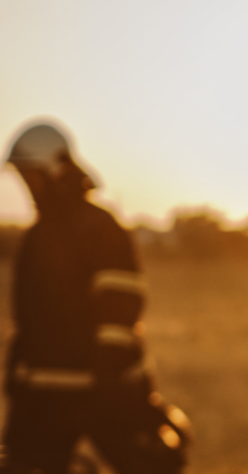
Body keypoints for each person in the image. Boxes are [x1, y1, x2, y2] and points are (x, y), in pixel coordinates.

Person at [4, 121, 189, 473]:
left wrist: (111, 376)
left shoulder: (99, 227)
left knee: (151, 465)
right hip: (43, 396)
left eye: (32, 176)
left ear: (56, 170)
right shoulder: (36, 237)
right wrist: (18, 373)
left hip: (105, 390)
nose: (28, 186)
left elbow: (120, 304)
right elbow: (29, 317)